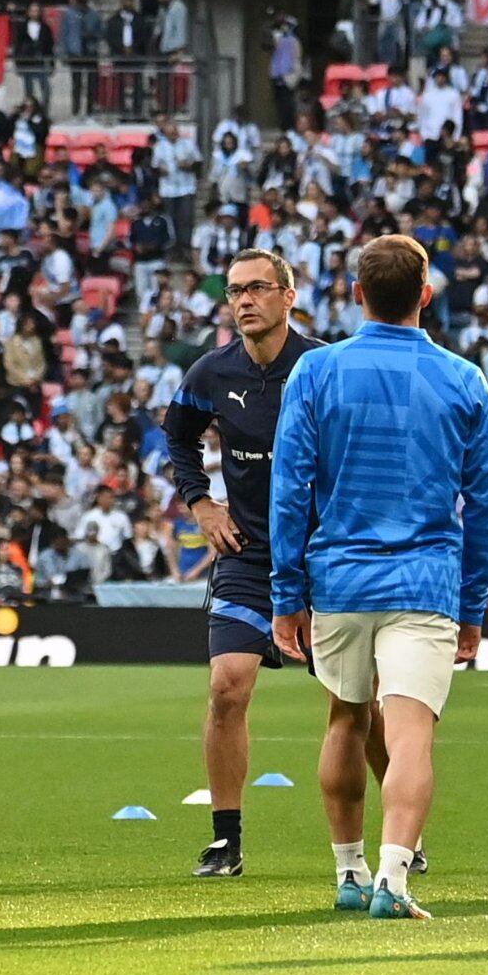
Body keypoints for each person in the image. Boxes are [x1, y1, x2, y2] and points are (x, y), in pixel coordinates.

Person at [268, 233, 488, 922]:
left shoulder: (316, 370)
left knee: (345, 715)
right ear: (426, 294)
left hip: (341, 577)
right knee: (410, 733)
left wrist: (287, 592)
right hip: (425, 581)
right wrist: (474, 604)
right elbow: (485, 503)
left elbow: (290, 488)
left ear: (356, 294)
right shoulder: (463, 378)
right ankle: (393, 878)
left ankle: (349, 871)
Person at [167, 246, 385, 878]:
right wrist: (201, 503)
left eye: (259, 288)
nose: (245, 300)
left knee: (357, 703)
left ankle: (405, 825)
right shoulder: (212, 372)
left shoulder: (326, 366)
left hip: (323, 558)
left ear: (289, 297)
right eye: (236, 290)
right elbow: (178, 436)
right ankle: (226, 840)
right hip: (248, 554)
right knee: (226, 687)